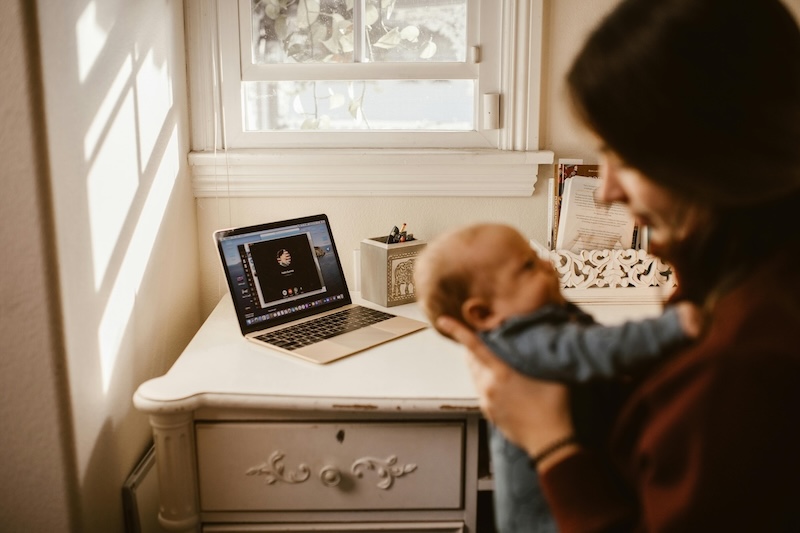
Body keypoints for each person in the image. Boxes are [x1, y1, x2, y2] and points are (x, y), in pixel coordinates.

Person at [436, 0, 800, 530]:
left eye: (622, 159)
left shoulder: (745, 361)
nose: (603, 191)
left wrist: (549, 441)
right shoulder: (739, 273)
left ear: (711, 156)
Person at [414, 222, 702, 533]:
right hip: (551, 516)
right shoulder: (521, 340)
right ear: (484, 314)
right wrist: (671, 327)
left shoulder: (539, 320)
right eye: (528, 266)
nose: (548, 263)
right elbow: (594, 348)